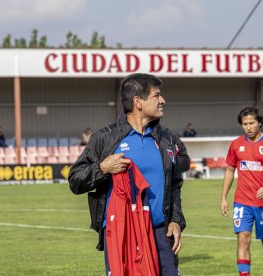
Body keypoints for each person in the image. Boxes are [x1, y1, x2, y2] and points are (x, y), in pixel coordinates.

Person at [69, 73, 186, 275]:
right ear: (138, 102)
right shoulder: (105, 138)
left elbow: (175, 184)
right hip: (123, 235)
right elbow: (75, 180)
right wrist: (102, 168)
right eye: (156, 96)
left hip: (161, 232)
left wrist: (176, 220)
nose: (163, 100)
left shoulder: (166, 138)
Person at [220, 106, 263, 276]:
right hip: (242, 202)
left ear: (260, 122)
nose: (248, 127)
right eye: (245, 124)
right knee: (243, 240)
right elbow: (230, 170)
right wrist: (223, 197)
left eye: (251, 123)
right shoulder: (236, 144)